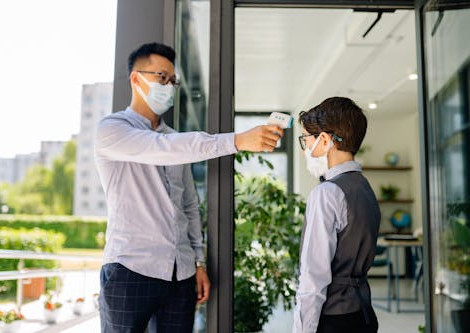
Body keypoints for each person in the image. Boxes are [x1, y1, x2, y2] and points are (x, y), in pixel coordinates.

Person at [94, 42, 283, 333]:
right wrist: (236, 141)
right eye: (161, 78)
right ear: (136, 79)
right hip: (130, 270)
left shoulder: (174, 139)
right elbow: (160, 148)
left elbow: (189, 206)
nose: (168, 86)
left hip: (179, 275)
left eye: (172, 81)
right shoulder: (113, 130)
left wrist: (196, 261)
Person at [293, 97, 381, 333]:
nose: (305, 152)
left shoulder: (326, 193)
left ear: (324, 140)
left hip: (334, 319)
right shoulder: (364, 188)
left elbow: (314, 277)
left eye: (306, 141)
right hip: (362, 314)